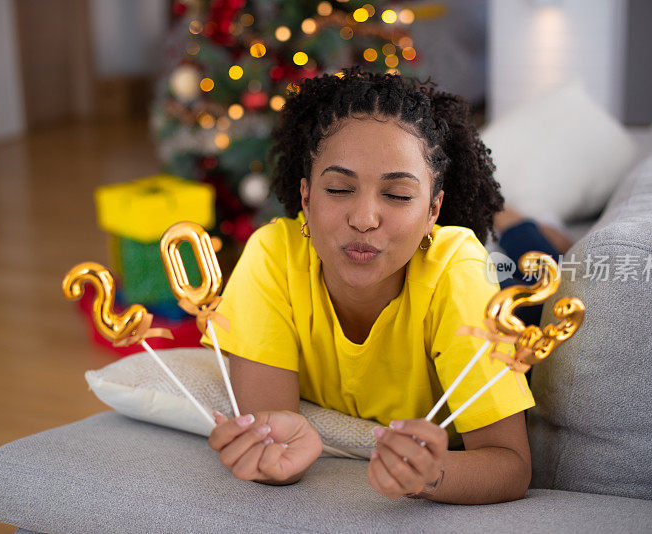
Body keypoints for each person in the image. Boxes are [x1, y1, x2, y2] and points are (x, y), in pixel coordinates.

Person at [201, 68, 535, 504]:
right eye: (339, 189)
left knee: (537, 258)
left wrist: (434, 475)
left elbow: (511, 464)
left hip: (505, 286)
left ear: (434, 209)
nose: (363, 219)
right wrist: (274, 458)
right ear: (305, 198)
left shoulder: (457, 272)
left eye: (397, 196)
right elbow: (273, 440)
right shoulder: (271, 256)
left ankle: (521, 224)